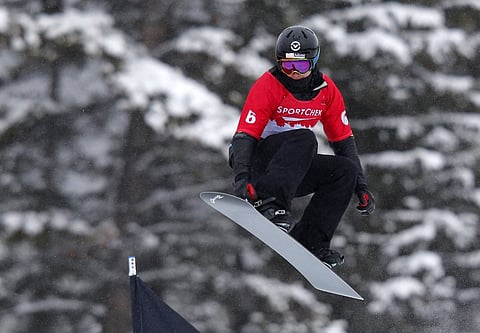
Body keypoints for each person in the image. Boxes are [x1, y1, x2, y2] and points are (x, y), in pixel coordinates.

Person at [228, 25, 375, 269]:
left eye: (301, 66)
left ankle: (310, 240)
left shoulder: (326, 92)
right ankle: (268, 202)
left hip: (292, 169)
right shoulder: (268, 85)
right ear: (278, 62)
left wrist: (361, 186)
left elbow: (343, 142)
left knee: (344, 170)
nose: (294, 73)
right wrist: (242, 180)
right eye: (287, 65)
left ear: (314, 62)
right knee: (305, 138)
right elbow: (244, 135)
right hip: (260, 166)